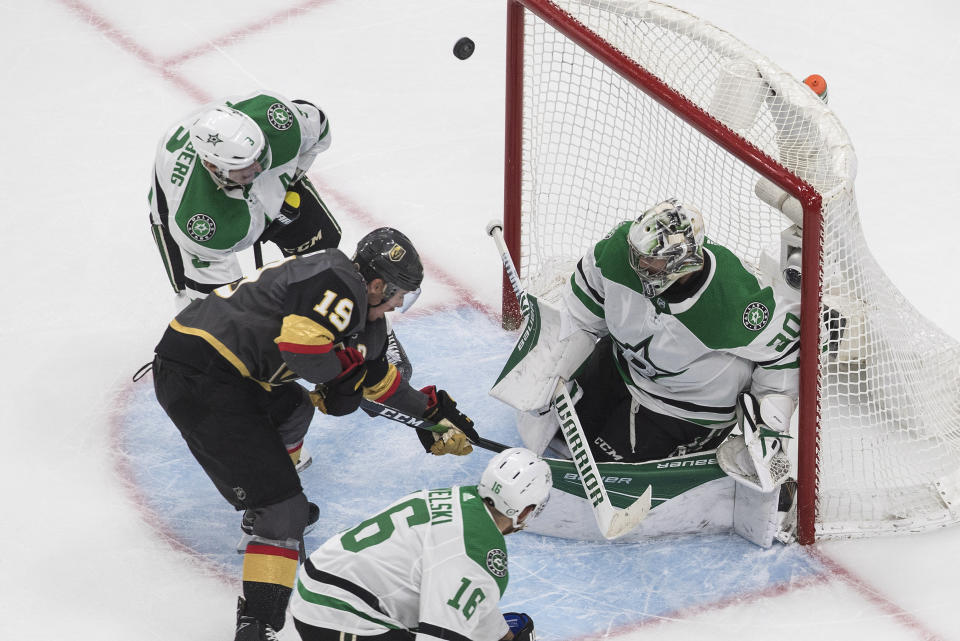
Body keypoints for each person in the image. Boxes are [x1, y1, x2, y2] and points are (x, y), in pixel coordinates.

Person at [151, 227, 481, 641]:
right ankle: (259, 622)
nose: (398, 305)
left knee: (294, 409)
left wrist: (430, 416)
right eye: (398, 294)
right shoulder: (338, 279)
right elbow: (302, 352)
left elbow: (365, 385)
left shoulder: (363, 315)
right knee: (284, 510)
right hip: (199, 372)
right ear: (377, 284)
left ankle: (267, 503)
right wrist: (346, 376)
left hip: (232, 372)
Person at [517, 198, 800, 492]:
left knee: (612, 478)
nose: (638, 265)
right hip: (621, 365)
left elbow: (785, 351)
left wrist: (769, 427)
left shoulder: (733, 301)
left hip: (686, 409)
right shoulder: (617, 253)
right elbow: (580, 310)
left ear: (683, 260)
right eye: (637, 255)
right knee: (558, 435)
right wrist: (554, 364)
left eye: (651, 261)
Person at [288, 447, 550, 641]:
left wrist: (503, 637)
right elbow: (440, 632)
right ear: (526, 511)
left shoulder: (455, 498)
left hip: (319, 593)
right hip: (340, 617)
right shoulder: (478, 553)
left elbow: (460, 591)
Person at [148, 90, 342, 304]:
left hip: (240, 174)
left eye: (261, 156)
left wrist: (293, 178)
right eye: (247, 168)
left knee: (323, 251)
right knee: (196, 296)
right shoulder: (197, 220)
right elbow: (216, 306)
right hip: (192, 202)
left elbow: (320, 130)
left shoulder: (279, 123)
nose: (259, 167)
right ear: (213, 166)